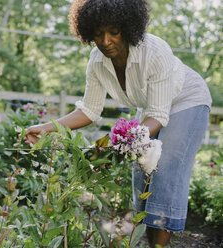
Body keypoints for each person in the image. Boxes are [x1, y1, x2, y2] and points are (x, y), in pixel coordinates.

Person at [23, 0, 212, 247]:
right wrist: (47, 127)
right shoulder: (97, 61)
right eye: (98, 33)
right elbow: (89, 111)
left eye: (114, 31)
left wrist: (123, 142)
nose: (105, 41)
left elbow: (158, 114)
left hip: (188, 100)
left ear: (128, 27)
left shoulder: (155, 52)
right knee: (140, 170)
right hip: (151, 109)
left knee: (165, 168)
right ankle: (147, 241)